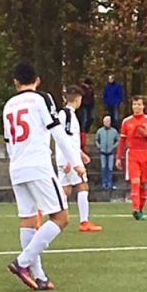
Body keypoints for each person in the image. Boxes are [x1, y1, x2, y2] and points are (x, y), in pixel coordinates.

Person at [3, 61, 85, 291]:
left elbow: (8, 142)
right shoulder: (42, 99)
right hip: (38, 166)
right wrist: (76, 162)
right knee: (61, 217)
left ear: (15, 82)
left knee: (28, 220)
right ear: (37, 80)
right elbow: (58, 132)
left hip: (16, 167)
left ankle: (39, 276)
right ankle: (22, 262)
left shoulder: (8, 105)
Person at [56, 85, 102, 232]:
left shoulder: (64, 114)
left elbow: (68, 139)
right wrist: (71, 160)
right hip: (70, 160)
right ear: (78, 99)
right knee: (83, 186)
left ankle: (51, 216)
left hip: (65, 158)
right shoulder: (68, 115)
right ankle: (84, 221)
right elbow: (66, 139)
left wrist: (81, 153)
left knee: (65, 190)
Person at [116, 96, 147, 220]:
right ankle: (135, 208)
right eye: (134, 104)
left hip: (145, 153)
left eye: (139, 104)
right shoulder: (127, 122)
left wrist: (146, 135)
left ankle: (140, 209)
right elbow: (122, 140)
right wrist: (118, 157)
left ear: (143, 106)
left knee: (143, 183)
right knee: (135, 181)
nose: (136, 107)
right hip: (132, 154)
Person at [95, 115, 119, 190]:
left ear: (110, 122)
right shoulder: (100, 131)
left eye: (107, 121)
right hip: (102, 152)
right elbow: (96, 140)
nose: (106, 123)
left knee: (110, 168)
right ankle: (104, 183)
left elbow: (118, 140)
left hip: (111, 152)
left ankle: (109, 183)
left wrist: (113, 147)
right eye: (105, 121)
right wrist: (99, 146)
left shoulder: (114, 131)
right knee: (103, 168)